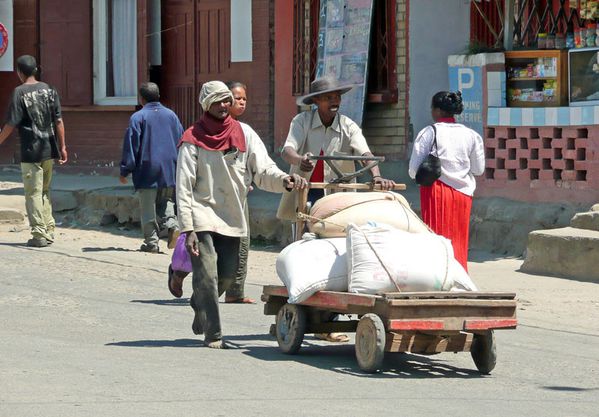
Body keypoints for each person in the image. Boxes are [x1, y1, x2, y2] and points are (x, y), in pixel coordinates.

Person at [175, 80, 306, 349]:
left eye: (226, 100)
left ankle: (200, 301)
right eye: (217, 101)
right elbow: (184, 186)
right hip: (202, 215)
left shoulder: (244, 134)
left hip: (233, 216)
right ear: (206, 105)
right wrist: (187, 229)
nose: (224, 105)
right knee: (208, 275)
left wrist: (284, 180)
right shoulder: (192, 139)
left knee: (227, 276)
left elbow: (263, 170)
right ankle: (214, 334)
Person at [277, 76, 395, 343]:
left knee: (335, 255)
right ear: (316, 101)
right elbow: (287, 150)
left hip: (338, 197)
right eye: (329, 97)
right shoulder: (302, 122)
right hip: (306, 192)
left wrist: (376, 175)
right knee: (303, 249)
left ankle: (328, 321)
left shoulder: (347, 125)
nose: (335, 102)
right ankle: (298, 309)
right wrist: (300, 161)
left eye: (337, 97)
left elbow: (365, 153)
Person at [408, 91, 485, 272]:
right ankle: (459, 276)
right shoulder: (472, 135)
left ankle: (437, 277)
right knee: (459, 238)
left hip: (435, 192)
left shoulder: (429, 132)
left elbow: (413, 171)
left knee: (436, 238)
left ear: (436, 110)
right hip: (463, 194)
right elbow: (478, 170)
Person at [0, 55, 67, 247]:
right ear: (36, 70)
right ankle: (49, 229)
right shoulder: (50, 90)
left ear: (19, 73)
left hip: (30, 151)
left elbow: (11, 124)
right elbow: (59, 121)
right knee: (44, 191)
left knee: (33, 193)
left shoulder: (18, 93)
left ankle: (38, 234)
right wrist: (62, 147)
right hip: (49, 148)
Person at [119, 82, 184, 253]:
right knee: (167, 202)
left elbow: (132, 145)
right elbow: (181, 139)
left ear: (141, 98)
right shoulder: (172, 116)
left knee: (148, 207)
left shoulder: (138, 117)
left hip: (147, 169)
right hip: (170, 167)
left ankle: (151, 242)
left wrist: (125, 169)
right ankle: (172, 225)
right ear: (158, 96)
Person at [223, 81, 255, 304]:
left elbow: (254, 160)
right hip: (216, 195)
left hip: (238, 194)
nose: (241, 101)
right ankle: (179, 270)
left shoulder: (245, 130)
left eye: (244, 98)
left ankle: (235, 290)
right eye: (237, 97)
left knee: (242, 240)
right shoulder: (215, 128)